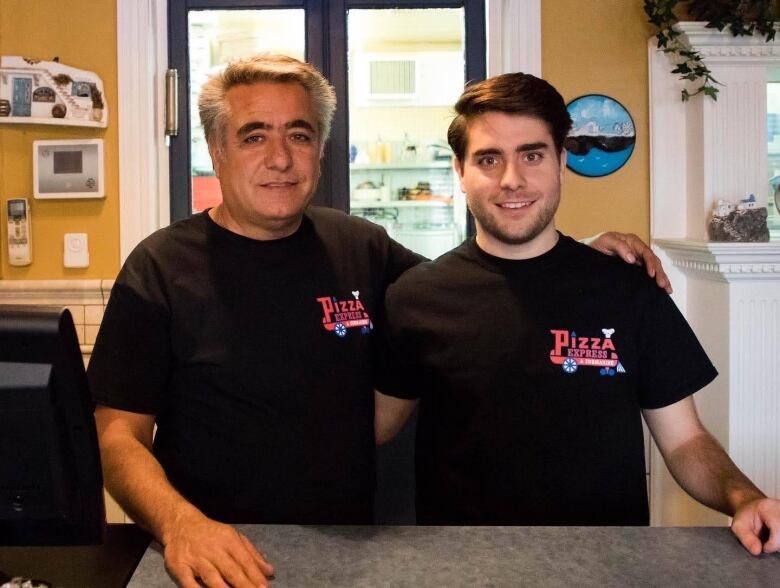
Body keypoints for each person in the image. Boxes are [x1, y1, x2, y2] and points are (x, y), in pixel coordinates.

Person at [88, 55, 672, 588]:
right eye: (253, 136)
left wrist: (578, 251)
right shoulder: (160, 267)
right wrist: (182, 526)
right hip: (211, 553)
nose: (280, 158)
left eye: (300, 134)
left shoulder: (360, 245)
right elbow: (118, 436)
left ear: (320, 149)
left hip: (352, 551)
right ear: (217, 151)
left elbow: (481, 283)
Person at [375, 72, 780, 556]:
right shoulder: (416, 297)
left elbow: (685, 441)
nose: (512, 179)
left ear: (562, 162)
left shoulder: (629, 289)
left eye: (532, 155)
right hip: (464, 565)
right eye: (488, 159)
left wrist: (744, 497)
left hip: (608, 566)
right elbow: (372, 427)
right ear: (459, 171)